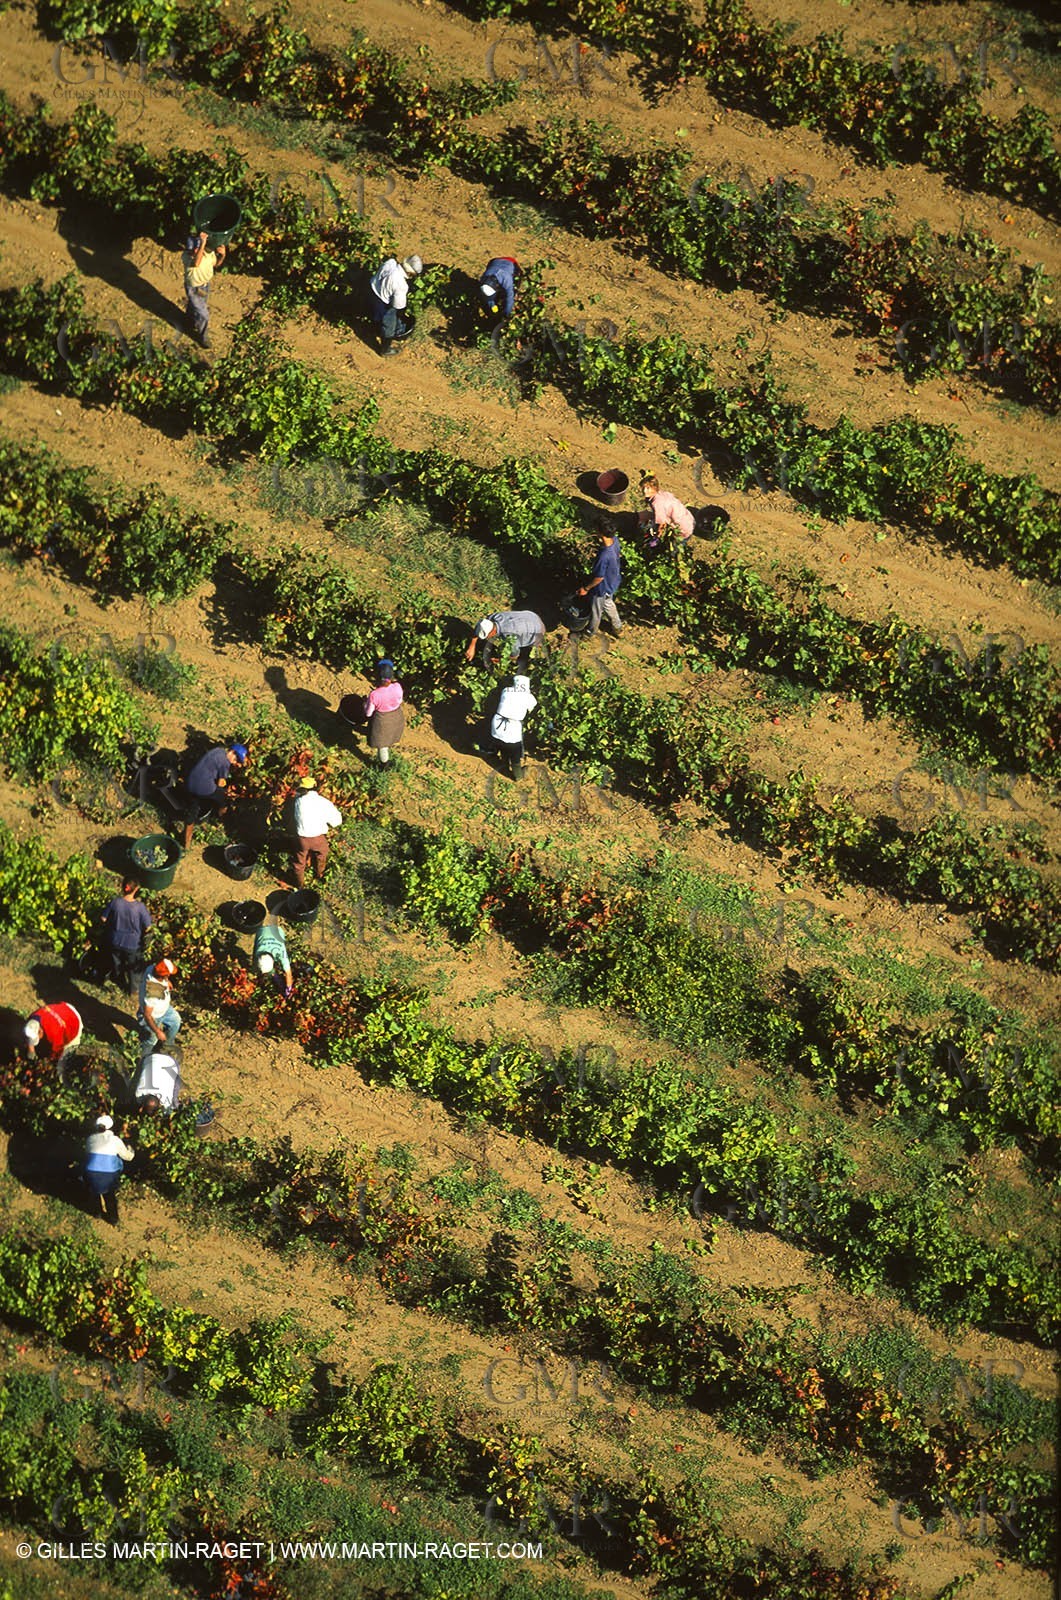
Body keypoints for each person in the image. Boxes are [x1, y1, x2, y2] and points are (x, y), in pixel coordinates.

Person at [181, 741, 248, 849]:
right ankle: (221, 819)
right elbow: (220, 783)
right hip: (203, 788)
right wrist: (228, 788)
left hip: (190, 783)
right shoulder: (225, 763)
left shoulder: (218, 750)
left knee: (192, 811)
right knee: (223, 798)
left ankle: (186, 843)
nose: (235, 763)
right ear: (232, 752)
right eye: (236, 760)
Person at [100, 880, 152, 997]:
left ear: (123, 887)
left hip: (115, 940)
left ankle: (119, 981)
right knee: (134, 968)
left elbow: (103, 918)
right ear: (136, 890)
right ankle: (133, 990)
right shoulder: (139, 907)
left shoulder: (115, 903)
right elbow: (148, 926)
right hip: (132, 944)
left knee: (117, 963)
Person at [82, 1113, 135, 1226]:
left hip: (90, 1174)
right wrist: (131, 1148)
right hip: (108, 1176)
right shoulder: (115, 1140)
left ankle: (97, 1213)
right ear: (111, 1127)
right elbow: (128, 1157)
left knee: (95, 1192)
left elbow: (88, 1154)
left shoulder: (90, 1139)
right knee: (109, 1196)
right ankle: (113, 1219)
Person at [291, 777, 342, 890]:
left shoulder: (298, 801)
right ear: (315, 788)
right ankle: (319, 874)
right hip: (317, 838)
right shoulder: (323, 802)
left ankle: (299, 885)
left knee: (299, 862)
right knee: (322, 854)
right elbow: (337, 821)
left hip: (301, 839)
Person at [368, 254, 422, 355]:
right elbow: (398, 306)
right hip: (382, 303)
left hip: (371, 290)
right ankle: (384, 350)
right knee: (389, 326)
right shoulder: (401, 284)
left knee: (374, 315)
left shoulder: (390, 262)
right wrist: (401, 317)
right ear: (410, 273)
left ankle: (374, 328)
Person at [182, 229, 227, 350]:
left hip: (205, 285)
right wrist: (202, 243)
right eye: (193, 249)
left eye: (197, 248)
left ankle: (188, 320)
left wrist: (222, 255)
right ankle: (203, 337)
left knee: (196, 306)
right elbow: (196, 263)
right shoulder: (187, 257)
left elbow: (216, 265)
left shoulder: (208, 254)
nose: (195, 251)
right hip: (194, 288)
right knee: (204, 314)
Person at [489, 675, 537, 780]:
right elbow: (532, 707)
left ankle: (504, 765)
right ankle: (518, 776)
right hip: (512, 727)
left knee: (502, 745)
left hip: (497, 723)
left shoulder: (506, 691)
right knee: (514, 753)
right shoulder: (529, 697)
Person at [465, 610, 545, 671]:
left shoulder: (509, 637)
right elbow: (480, 627)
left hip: (539, 629)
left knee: (524, 652)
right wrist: (472, 646)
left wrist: (499, 660)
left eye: (486, 636)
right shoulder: (493, 618)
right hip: (531, 615)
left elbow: (514, 655)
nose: (486, 639)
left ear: (492, 632)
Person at [579, 528, 623, 637]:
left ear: (600, 532)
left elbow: (599, 578)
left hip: (601, 587)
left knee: (596, 611)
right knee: (608, 603)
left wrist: (585, 589)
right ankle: (617, 627)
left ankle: (590, 632)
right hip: (612, 581)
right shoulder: (615, 541)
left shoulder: (604, 556)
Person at [638, 475, 696, 554]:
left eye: (648, 488)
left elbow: (662, 524)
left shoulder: (657, 503)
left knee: (675, 549)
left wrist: (657, 537)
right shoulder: (662, 494)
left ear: (655, 487)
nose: (644, 490)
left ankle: (674, 559)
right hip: (689, 519)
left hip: (683, 528)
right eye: (643, 488)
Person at [363, 659, 405, 767]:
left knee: (382, 745)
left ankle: (384, 765)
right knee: (390, 736)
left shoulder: (374, 694)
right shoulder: (397, 687)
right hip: (396, 717)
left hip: (382, 721)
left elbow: (368, 713)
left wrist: (364, 704)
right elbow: (399, 701)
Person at [137, 958, 181, 1055]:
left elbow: (161, 977)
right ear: (164, 975)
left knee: (175, 1021)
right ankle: (143, 1057)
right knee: (151, 1040)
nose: (169, 976)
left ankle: (166, 1046)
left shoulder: (152, 968)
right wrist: (158, 1031)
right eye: (168, 975)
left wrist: (166, 982)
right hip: (153, 1017)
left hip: (164, 1009)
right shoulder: (153, 991)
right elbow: (147, 1015)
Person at [252, 918, 294, 995]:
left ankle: (274, 975)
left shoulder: (281, 953)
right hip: (261, 931)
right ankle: (273, 974)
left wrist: (289, 988)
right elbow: (254, 963)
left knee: (286, 955)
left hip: (277, 931)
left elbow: (288, 973)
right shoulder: (258, 952)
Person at [478, 256, 520, 321]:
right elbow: (488, 297)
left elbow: (509, 297)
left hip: (511, 262)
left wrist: (506, 314)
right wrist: (493, 306)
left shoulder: (506, 279)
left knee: (514, 288)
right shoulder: (483, 279)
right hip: (494, 261)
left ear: (497, 287)